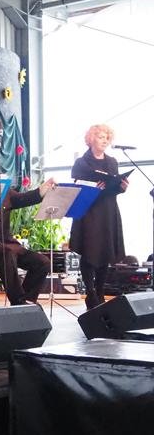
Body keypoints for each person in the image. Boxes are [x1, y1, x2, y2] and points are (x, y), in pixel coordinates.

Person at [0, 154, 55, 306]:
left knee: (43, 262)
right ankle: (19, 302)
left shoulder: (3, 191)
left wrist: (44, 188)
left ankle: (26, 301)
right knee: (6, 254)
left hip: (6, 244)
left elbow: (24, 199)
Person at [70, 124, 127, 309]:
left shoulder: (112, 162)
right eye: (101, 137)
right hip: (89, 210)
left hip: (107, 210)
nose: (104, 141)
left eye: (107, 138)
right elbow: (76, 185)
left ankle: (100, 291)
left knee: (105, 251)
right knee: (89, 251)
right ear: (91, 139)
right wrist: (92, 187)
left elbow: (114, 187)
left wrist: (122, 187)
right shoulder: (82, 162)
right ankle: (90, 293)